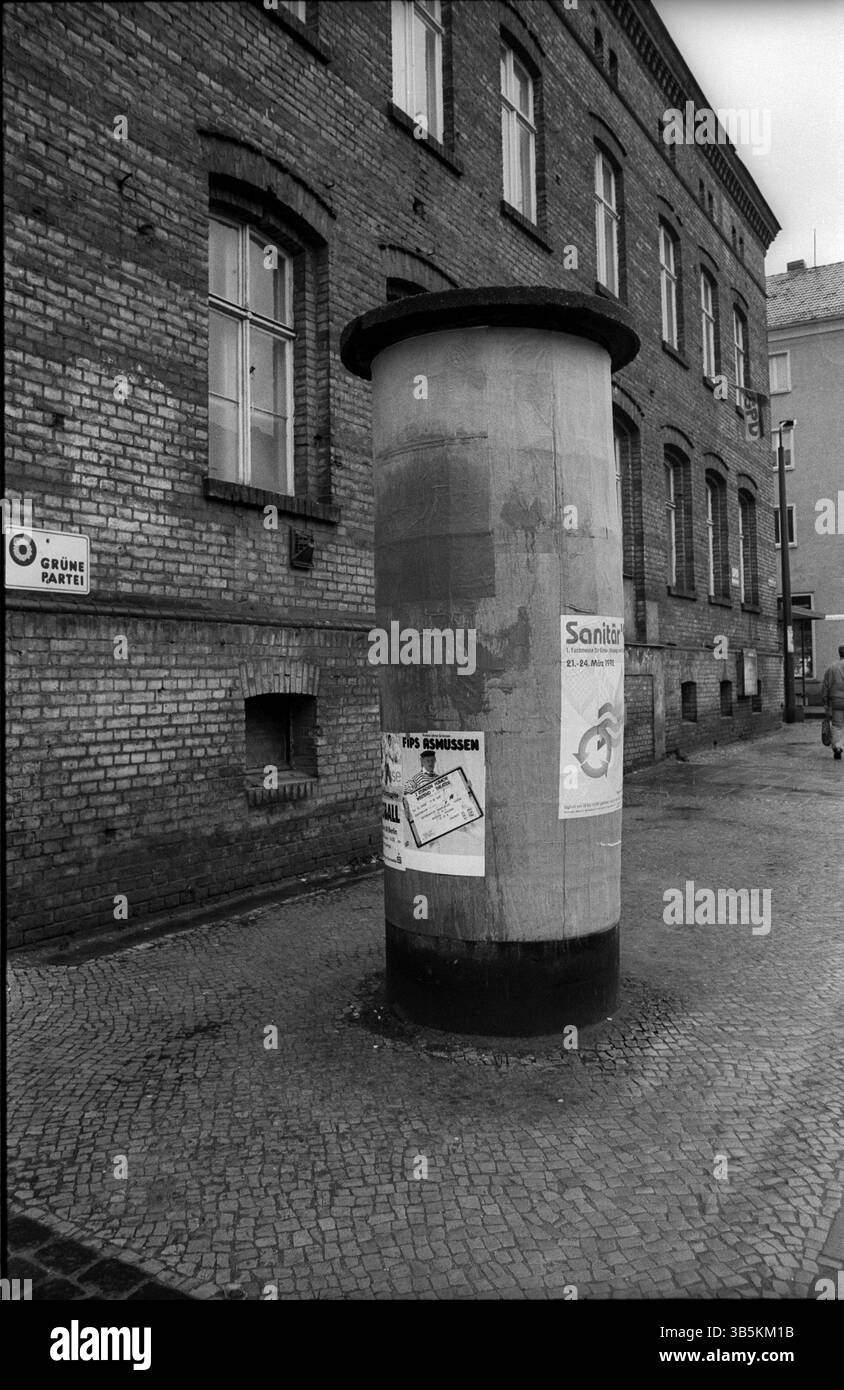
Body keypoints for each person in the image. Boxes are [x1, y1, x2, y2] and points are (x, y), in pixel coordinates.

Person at [820, 644, 844, 761]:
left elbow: (825, 686)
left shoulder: (831, 668)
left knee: (837, 725)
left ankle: (838, 747)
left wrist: (825, 702)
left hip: (836, 701)